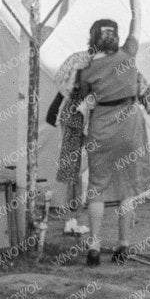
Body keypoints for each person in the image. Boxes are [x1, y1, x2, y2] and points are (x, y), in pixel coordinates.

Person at [68, 0, 150, 267]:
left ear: (93, 39)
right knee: (127, 190)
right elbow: (139, 15)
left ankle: (94, 247)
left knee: (96, 188)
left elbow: (80, 98)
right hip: (130, 125)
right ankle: (123, 246)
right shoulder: (129, 55)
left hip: (102, 127)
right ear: (116, 38)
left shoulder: (87, 68)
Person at [46, 49, 92, 236]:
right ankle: (71, 220)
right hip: (76, 122)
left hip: (74, 121)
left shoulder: (78, 63)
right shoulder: (85, 70)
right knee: (72, 172)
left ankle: (72, 219)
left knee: (74, 172)